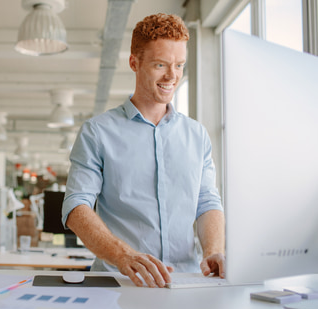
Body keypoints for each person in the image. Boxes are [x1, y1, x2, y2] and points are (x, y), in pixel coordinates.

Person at [61, 13, 226, 288]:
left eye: (179, 65)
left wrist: (213, 251)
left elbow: (207, 202)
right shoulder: (97, 132)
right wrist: (124, 256)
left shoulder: (197, 135)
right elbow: (76, 207)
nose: (172, 76)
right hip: (119, 281)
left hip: (186, 283)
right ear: (134, 63)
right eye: (160, 64)